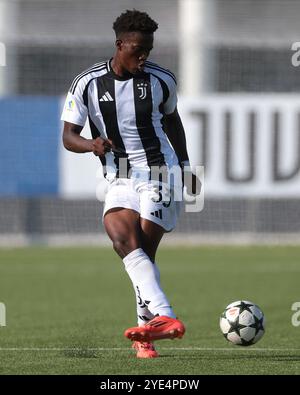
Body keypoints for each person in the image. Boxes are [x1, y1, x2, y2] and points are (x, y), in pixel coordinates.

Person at [61, 9, 200, 359]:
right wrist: (91, 144)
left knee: (143, 254)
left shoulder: (160, 80)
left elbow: (172, 121)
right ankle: (163, 320)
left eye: (148, 50)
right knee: (123, 239)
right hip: (119, 174)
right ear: (119, 44)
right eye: (137, 49)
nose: (144, 57)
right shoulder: (88, 83)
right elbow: (68, 136)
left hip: (159, 171)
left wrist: (184, 166)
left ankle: (149, 332)